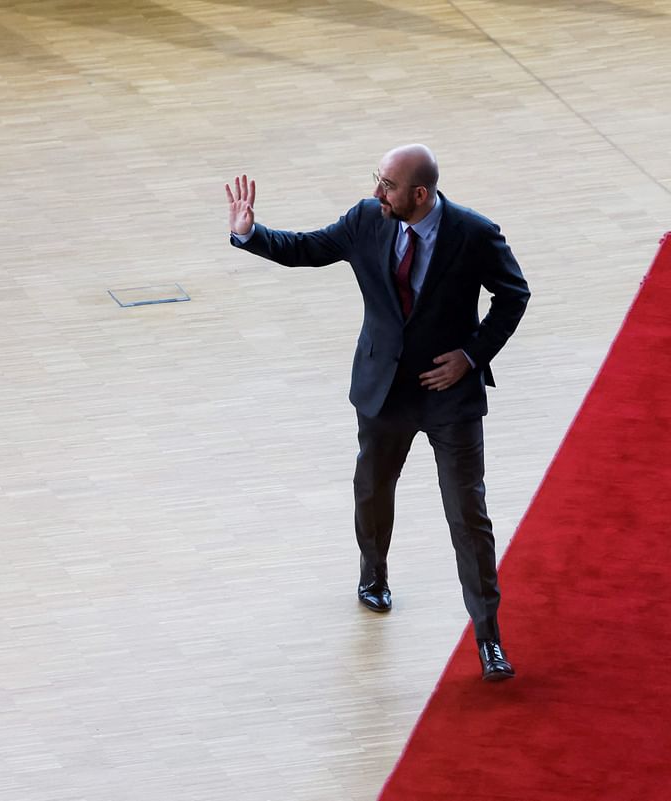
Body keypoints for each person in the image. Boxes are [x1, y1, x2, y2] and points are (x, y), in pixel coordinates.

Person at [225, 144, 530, 681]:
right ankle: (373, 576)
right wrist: (251, 233)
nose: (375, 192)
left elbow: (513, 294)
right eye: (377, 180)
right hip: (384, 390)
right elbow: (308, 249)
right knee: (372, 488)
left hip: (449, 395)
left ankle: (489, 638)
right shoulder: (367, 220)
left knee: (468, 515)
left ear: (420, 193)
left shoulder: (474, 233)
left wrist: (471, 356)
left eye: (386, 185)